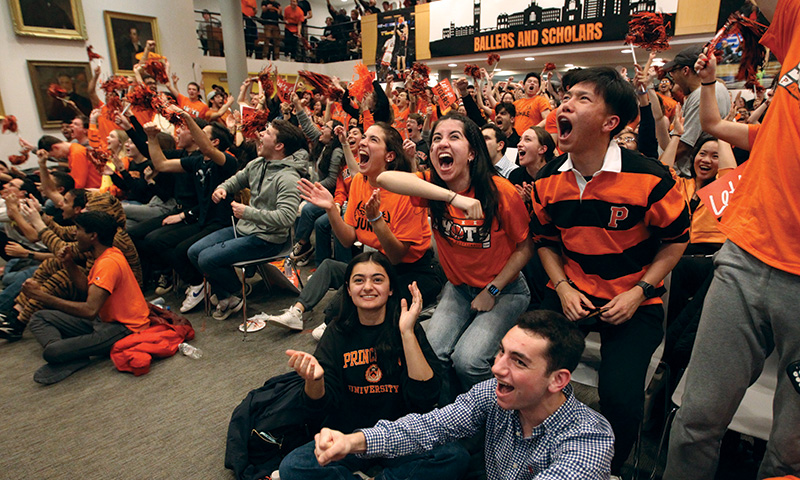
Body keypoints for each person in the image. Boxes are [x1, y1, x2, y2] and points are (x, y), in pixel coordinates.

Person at [531, 67, 690, 478]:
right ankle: (535, 450)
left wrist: (638, 291)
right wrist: (563, 286)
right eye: (567, 96)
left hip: (633, 298)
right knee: (528, 366)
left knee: (619, 397)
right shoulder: (547, 180)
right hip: (571, 291)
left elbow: (676, 241)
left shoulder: (652, 178)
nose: (566, 104)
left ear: (610, 123)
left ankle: (608, 468)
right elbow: (546, 242)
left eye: (583, 98)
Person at [665, 0, 800, 475]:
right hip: (745, 257)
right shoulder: (798, 19)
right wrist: (706, 83)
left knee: (789, 453)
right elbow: (717, 127)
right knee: (695, 421)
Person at [312, 310, 615, 479]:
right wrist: (352, 441)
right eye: (501, 352)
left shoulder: (589, 438)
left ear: (558, 380)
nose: (497, 367)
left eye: (518, 361)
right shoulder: (493, 396)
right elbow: (429, 426)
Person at [377, 113, 532, 396]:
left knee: (468, 361)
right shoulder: (435, 190)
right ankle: (450, 420)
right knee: (432, 352)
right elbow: (385, 177)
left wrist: (492, 290)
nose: (441, 144)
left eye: (453, 137)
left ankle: (491, 420)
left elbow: (525, 248)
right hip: (458, 289)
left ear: (472, 153)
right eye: (436, 138)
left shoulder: (502, 193)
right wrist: (452, 197)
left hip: (506, 289)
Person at [277, 252, 469, 480]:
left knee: (454, 456)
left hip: (400, 436)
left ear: (390, 289)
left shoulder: (407, 326)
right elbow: (317, 408)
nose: (368, 287)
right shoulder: (336, 332)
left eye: (377, 280)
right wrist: (314, 381)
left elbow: (425, 398)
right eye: (359, 280)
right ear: (348, 289)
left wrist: (407, 333)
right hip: (349, 437)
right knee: (293, 466)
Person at [257, 122, 443, 335]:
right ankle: (297, 312)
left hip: (416, 271)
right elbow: (347, 239)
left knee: (350, 316)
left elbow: (396, 257)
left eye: (373, 139)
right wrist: (331, 210)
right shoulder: (358, 183)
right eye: (365, 137)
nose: (363, 142)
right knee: (330, 283)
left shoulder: (406, 191)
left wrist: (376, 220)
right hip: (379, 265)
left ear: (390, 156)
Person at [187, 120, 307, 321]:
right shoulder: (257, 164)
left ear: (279, 146)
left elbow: (286, 218)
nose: (260, 134)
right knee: (193, 252)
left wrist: (248, 212)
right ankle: (230, 296)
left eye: (267, 132)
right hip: (246, 229)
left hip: (267, 239)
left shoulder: (288, 177)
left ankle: (235, 292)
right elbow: (236, 180)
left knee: (207, 259)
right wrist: (223, 188)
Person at [21, 211, 148, 385]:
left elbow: (89, 310)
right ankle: (72, 355)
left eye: (78, 229)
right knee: (39, 317)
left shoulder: (108, 263)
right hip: (104, 321)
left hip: (125, 329)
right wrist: (69, 264)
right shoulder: (107, 254)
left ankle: (69, 354)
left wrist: (41, 296)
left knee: (52, 352)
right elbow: (88, 290)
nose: (74, 233)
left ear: (93, 236)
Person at [139, 108, 237, 314]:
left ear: (214, 142)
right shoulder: (196, 161)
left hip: (222, 222)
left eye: (201, 134)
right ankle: (199, 282)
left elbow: (209, 151)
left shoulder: (227, 161)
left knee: (183, 250)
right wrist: (151, 138)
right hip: (202, 220)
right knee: (159, 241)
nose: (191, 135)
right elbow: (161, 164)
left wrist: (186, 117)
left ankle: (214, 287)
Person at [661, 45, 731, 176]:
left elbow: (683, 146)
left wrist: (657, 167)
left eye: (673, 72)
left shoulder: (699, 96)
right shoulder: (719, 87)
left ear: (685, 70)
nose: (673, 78)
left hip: (692, 175)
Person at [36, 135, 102, 189]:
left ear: (55, 147)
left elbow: (78, 184)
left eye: (53, 155)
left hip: (93, 190)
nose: (57, 157)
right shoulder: (73, 151)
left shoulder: (76, 153)